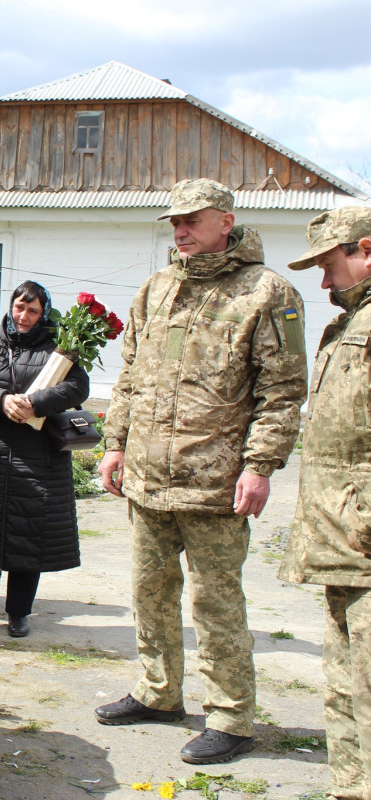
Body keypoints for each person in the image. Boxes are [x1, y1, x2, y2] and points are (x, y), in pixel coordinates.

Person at [94, 178, 308, 764]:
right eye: (174, 223)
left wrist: (261, 465)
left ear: (225, 221)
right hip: (147, 478)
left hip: (215, 483)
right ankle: (159, 692)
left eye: (192, 220)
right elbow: (131, 375)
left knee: (215, 603)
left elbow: (284, 391)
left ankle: (232, 715)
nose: (180, 231)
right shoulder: (157, 288)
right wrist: (114, 444)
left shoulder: (267, 292)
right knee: (150, 593)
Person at [277, 207, 371, 800]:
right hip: (343, 534)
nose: (323, 281)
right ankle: (352, 784)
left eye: (330, 264)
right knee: (345, 674)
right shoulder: (347, 326)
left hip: (362, 527)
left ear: (367, 250)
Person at [0, 281, 89, 639]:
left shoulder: (60, 348)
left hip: (39, 454)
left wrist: (36, 402)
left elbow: (78, 388)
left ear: (43, 314)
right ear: (10, 306)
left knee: (29, 534)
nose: (23, 316)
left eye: (33, 311)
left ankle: (18, 613)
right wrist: (1, 400)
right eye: (19, 307)